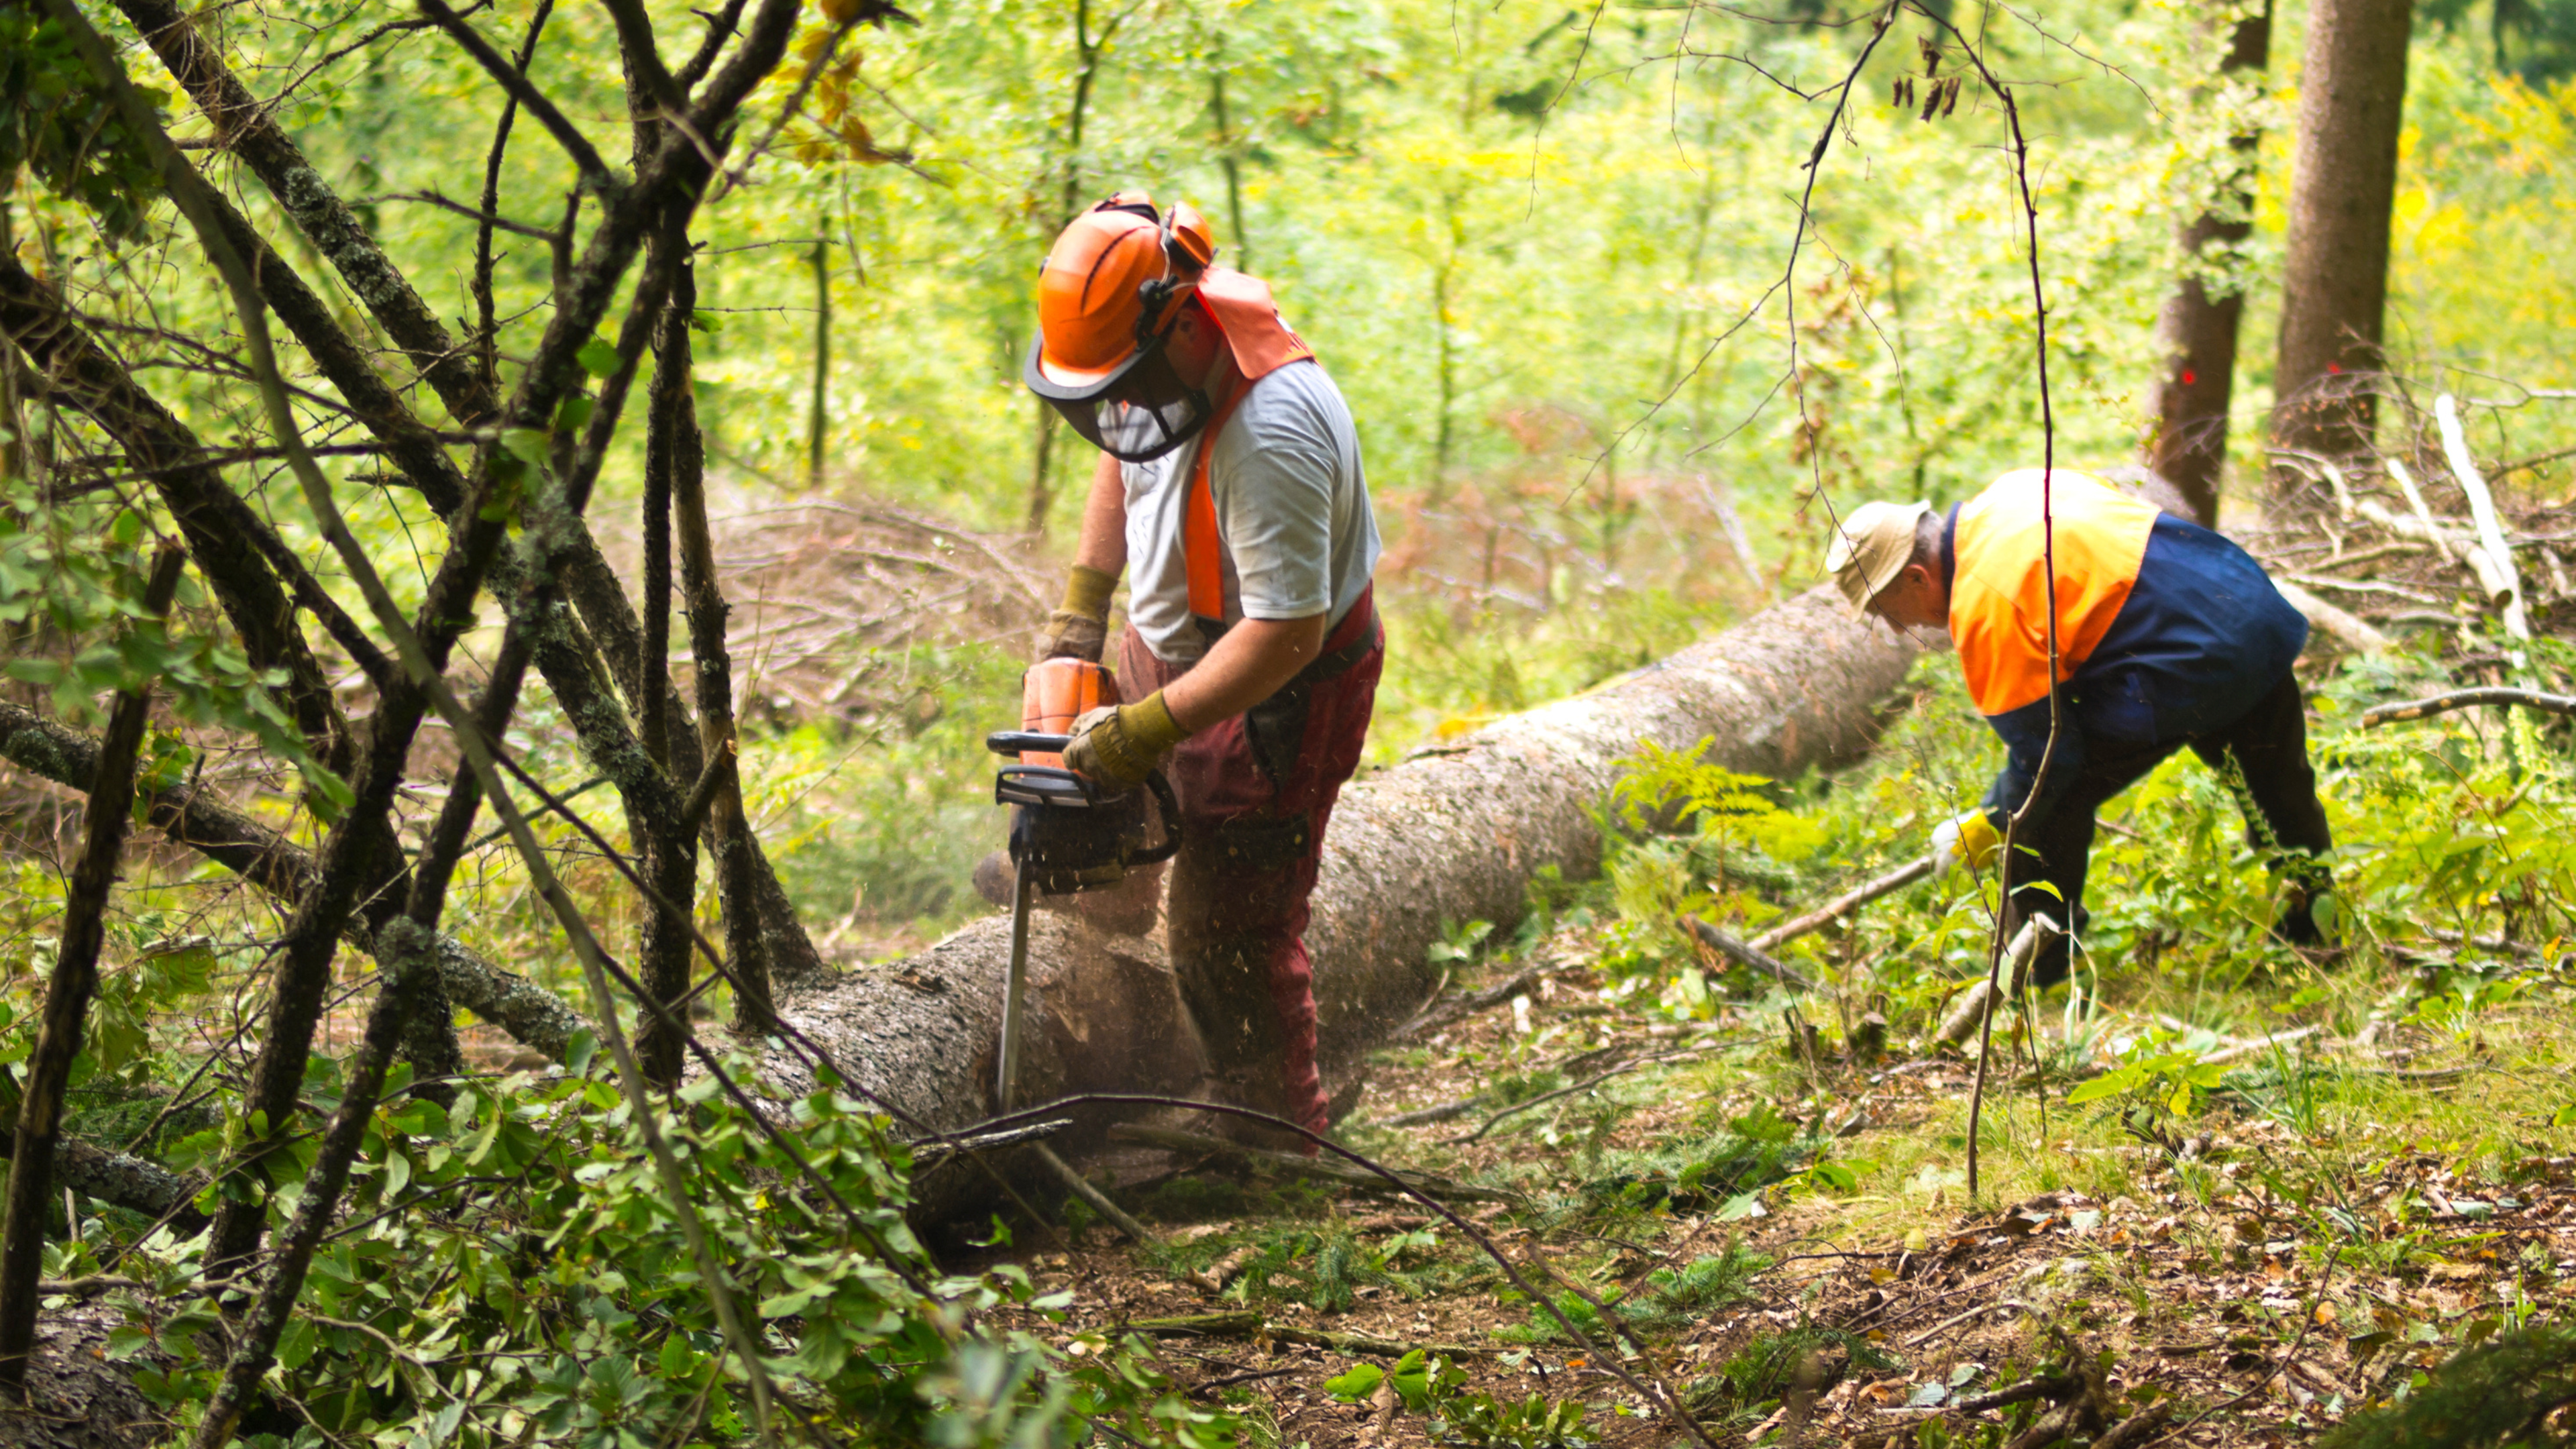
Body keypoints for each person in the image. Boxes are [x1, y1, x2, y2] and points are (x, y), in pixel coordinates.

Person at [994, 191, 1383, 1146]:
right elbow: (1115, 451)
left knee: (1226, 932)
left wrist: (1145, 729)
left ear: (1180, 323)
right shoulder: (1152, 371)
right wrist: (1083, 610)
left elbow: (1284, 633)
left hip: (1275, 688)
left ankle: (1274, 1140)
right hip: (1169, 645)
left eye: (1122, 383)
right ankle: (1125, 977)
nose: (1113, 407)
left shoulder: (1272, 432)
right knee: (1098, 824)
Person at [1826, 468, 2334, 984]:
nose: (1897, 627)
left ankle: (2042, 966)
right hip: (2249, 608)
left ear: (1917, 577)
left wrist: (1993, 819)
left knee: (2041, 807)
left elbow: (2045, 757)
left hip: (2189, 663)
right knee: (2277, 785)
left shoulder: (1985, 605)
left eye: (1888, 611)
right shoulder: (2014, 490)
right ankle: (2317, 929)